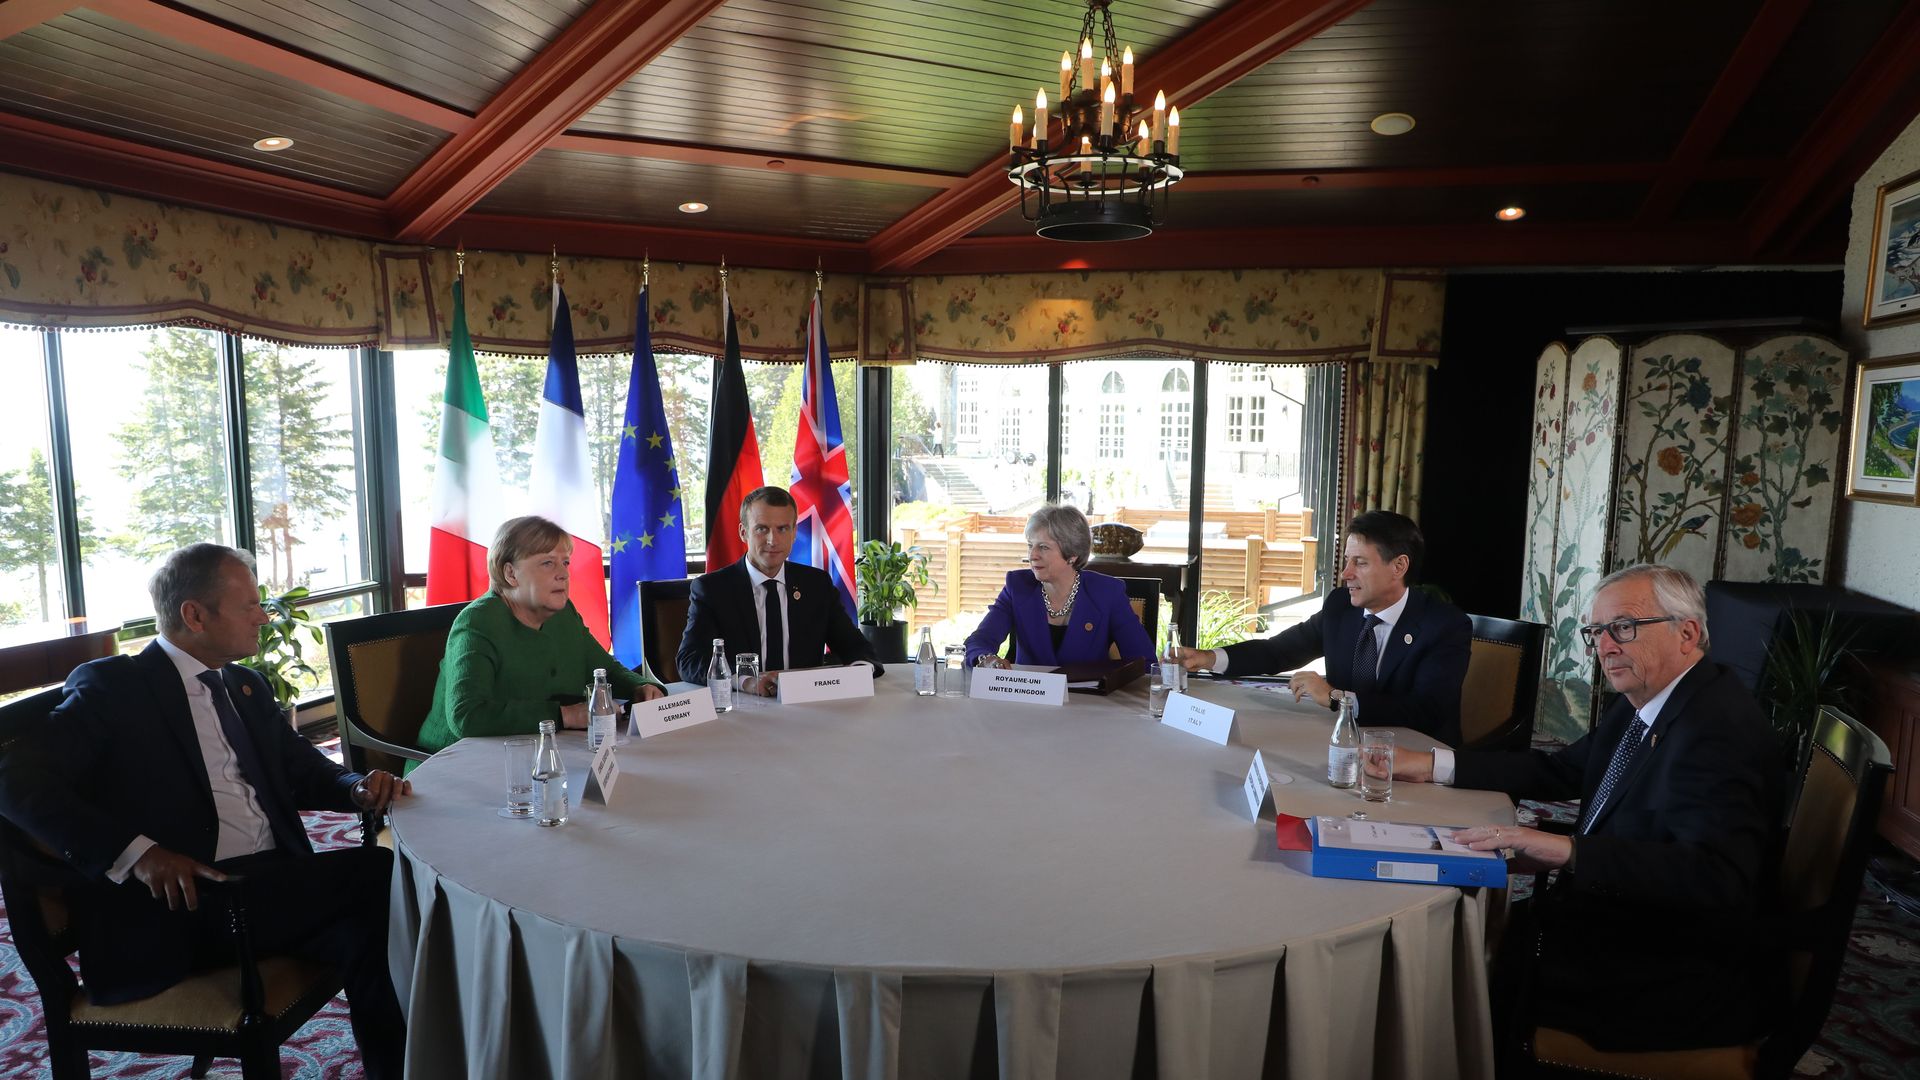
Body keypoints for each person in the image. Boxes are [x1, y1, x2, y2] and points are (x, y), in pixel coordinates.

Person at [0, 544, 409, 1078]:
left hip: (270, 888)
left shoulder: (244, 683)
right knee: (382, 872)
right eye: (250, 605)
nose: (264, 616)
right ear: (194, 615)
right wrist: (137, 854)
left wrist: (354, 787)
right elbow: (14, 783)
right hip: (186, 903)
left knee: (375, 931)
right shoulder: (114, 688)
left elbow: (303, 768)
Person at [1383, 564, 1783, 1054]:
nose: (1604, 646)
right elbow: (1559, 771)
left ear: (1688, 633)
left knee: (1453, 962)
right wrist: (1432, 766)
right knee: (1459, 931)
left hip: (1665, 962)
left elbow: (1715, 876)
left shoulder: (1716, 730)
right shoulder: (1654, 697)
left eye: (1624, 628)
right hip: (1615, 913)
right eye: (1597, 631)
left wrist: (1569, 851)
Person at [1177, 510, 1469, 745]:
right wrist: (1207, 658)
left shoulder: (1444, 626)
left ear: (1399, 567)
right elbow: (1279, 651)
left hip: (1417, 762)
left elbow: (1425, 712)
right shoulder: (1340, 606)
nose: (1346, 574)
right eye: (1346, 562)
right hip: (1344, 748)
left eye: (1360, 563)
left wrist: (1336, 698)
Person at [417, 515, 666, 761]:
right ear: (510, 574)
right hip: (453, 764)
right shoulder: (477, 623)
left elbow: (604, 670)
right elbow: (467, 715)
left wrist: (640, 688)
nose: (563, 574)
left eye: (565, 563)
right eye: (548, 563)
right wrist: (564, 715)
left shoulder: (563, 614)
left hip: (535, 756)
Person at [678, 486, 882, 694]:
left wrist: (858, 673)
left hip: (807, 706)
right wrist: (745, 681)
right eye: (761, 529)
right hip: (743, 707)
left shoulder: (816, 585)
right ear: (743, 532)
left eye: (782, 529)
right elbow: (689, 660)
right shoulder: (713, 589)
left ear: (794, 533)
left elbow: (857, 648)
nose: (772, 540)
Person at [965, 503, 1154, 668]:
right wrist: (985, 658)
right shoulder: (1017, 586)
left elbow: (1143, 661)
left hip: (1088, 703)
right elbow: (980, 641)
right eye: (1031, 545)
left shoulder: (1107, 592)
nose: (1033, 555)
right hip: (1028, 699)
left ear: (1072, 555)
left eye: (1044, 547)